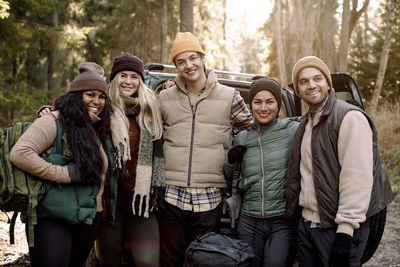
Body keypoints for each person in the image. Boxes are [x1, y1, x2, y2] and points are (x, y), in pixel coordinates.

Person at [285, 56, 394, 267]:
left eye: (317, 78)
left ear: (328, 83)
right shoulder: (305, 124)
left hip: (338, 229)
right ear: (297, 90)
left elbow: (357, 179)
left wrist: (345, 231)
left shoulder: (349, 118)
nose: (312, 85)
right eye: (304, 81)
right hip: (308, 225)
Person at [158, 32, 253, 267]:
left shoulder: (230, 96)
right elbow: (147, 129)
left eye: (193, 58)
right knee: (169, 260)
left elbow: (254, 129)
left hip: (209, 199)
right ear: (176, 66)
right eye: (181, 61)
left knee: (204, 260)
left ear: (202, 58)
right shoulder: (165, 97)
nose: (188, 65)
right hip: (171, 196)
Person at [9, 62, 118, 267]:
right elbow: (20, 153)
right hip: (52, 217)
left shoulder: (99, 128)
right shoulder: (53, 121)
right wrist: (64, 174)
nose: (97, 101)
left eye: (101, 96)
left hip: (89, 217)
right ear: (77, 95)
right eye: (90, 94)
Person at [94, 53, 165, 267]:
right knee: (109, 259)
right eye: (122, 75)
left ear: (141, 81)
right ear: (115, 79)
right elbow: (75, 111)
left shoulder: (151, 110)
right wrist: (50, 112)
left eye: (134, 76)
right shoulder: (104, 108)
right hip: (110, 201)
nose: (128, 81)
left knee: (149, 260)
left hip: (141, 201)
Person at [224, 78, 299, 267]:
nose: (263, 108)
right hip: (248, 220)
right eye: (257, 102)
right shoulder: (243, 136)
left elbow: (319, 122)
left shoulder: (292, 130)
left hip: (282, 220)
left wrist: (348, 112)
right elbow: (228, 175)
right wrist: (231, 160)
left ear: (278, 105)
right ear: (251, 105)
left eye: (270, 101)